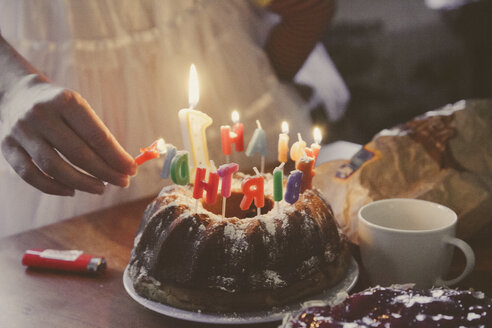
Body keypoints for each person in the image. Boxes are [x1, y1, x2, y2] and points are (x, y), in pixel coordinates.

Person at [0, 0, 348, 238]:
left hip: (210, 46)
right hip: (44, 59)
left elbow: (308, 9)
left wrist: (295, 31)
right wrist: (11, 84)